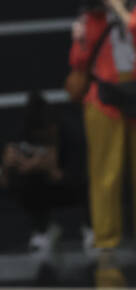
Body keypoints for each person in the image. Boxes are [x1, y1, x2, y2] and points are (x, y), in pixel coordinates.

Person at [68, 0, 136, 256]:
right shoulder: (93, 17)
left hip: (134, 94)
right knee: (105, 173)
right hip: (103, 98)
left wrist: (119, 8)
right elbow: (78, 63)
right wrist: (79, 40)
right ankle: (106, 240)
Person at [0, 92, 83, 253]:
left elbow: (81, 177)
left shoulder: (72, 134)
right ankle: (43, 228)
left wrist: (51, 169)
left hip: (71, 187)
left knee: (92, 183)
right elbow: (5, 181)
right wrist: (7, 167)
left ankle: (91, 227)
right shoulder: (22, 136)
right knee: (20, 181)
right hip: (41, 188)